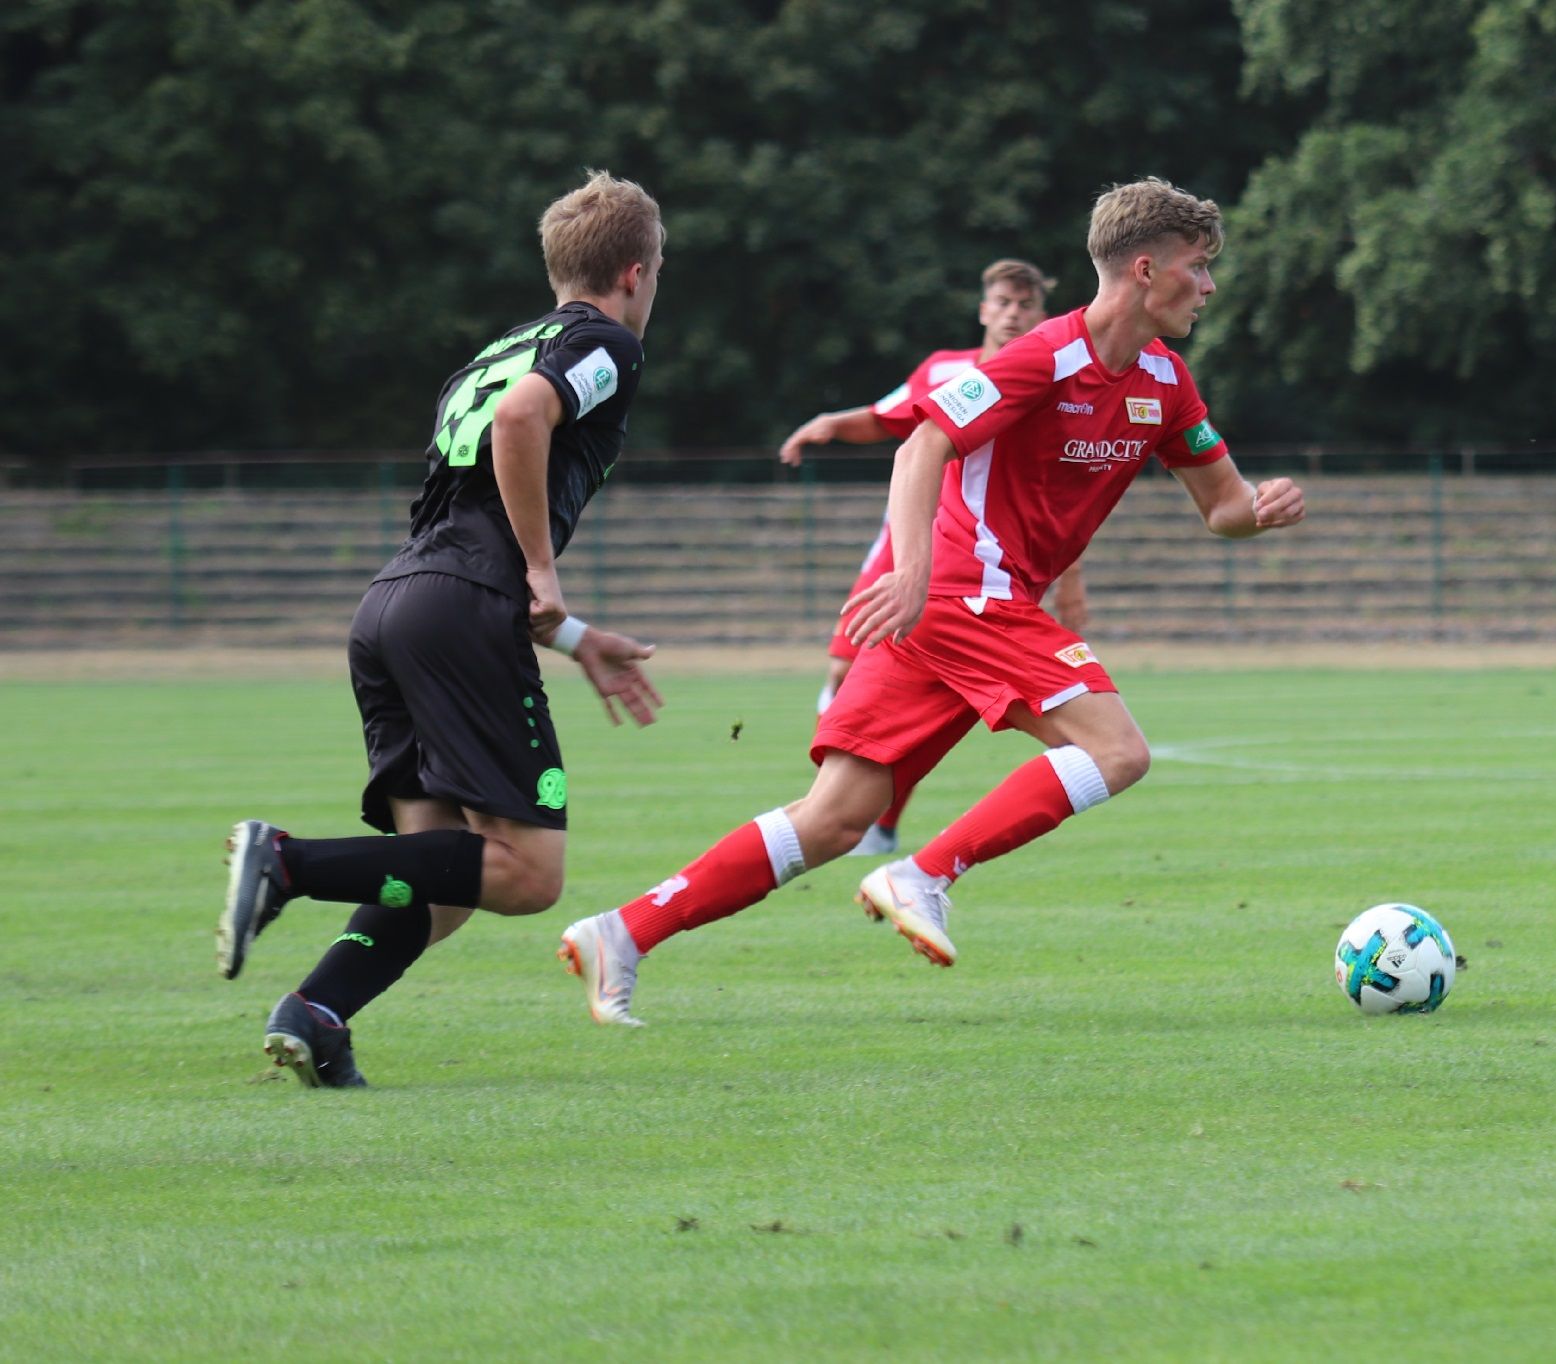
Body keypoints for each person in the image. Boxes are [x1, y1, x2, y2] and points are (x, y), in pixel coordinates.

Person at [558, 176, 1304, 1027]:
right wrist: (911, 573)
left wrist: (1261, 511)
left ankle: (622, 931)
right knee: (1118, 750)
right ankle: (924, 872)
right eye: (1198, 267)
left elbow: (1222, 507)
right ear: (1144, 269)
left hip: (962, 609)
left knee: (837, 818)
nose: (1208, 286)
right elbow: (923, 444)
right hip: (960, 592)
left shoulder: (1165, 382)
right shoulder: (1041, 356)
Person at [216, 169, 668, 1085]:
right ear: (634, 271)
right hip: (457, 608)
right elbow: (523, 418)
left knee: (448, 873)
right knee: (527, 875)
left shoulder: (496, 349)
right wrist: (542, 568)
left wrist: (578, 638)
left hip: (396, 605)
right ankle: (287, 864)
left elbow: (472, 508)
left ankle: (315, 1012)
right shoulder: (605, 345)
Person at [775, 259, 1089, 855]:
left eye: (1025, 304)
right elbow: (888, 417)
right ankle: (841, 800)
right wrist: (829, 424)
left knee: (942, 698)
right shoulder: (944, 368)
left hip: (985, 561)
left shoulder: (1054, 381)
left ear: (1040, 313)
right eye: (1002, 301)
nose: (1012, 313)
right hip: (912, 542)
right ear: (983, 309)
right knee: (844, 666)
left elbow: (1060, 496)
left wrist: (1072, 582)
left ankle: (875, 818)